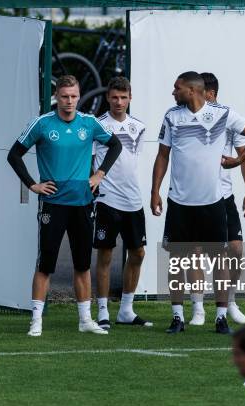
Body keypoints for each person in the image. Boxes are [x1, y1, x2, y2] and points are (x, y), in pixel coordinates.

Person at [7, 75, 122, 337]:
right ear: (56, 97)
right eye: (64, 96)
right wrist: (32, 184)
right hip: (53, 203)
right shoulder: (42, 123)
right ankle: (36, 320)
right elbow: (14, 155)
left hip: (82, 202)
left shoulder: (89, 123)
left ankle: (85, 320)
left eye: (73, 96)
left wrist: (100, 173)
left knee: (82, 264)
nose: (69, 101)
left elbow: (115, 145)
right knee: (45, 264)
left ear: (79, 96)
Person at [151, 71, 245, 334]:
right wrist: (155, 191)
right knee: (178, 261)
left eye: (176, 88)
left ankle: (221, 316)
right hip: (179, 202)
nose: (172, 92)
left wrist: (238, 160)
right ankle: (178, 317)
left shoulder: (222, 114)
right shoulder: (171, 116)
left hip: (213, 202)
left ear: (192, 90)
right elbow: (162, 156)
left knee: (220, 259)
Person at [92, 77, 151, 329]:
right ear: (107, 98)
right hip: (107, 199)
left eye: (123, 97)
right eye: (114, 97)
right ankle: (103, 311)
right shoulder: (97, 125)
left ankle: (126, 310)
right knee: (106, 254)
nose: (119, 102)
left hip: (133, 200)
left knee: (138, 252)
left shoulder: (139, 127)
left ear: (130, 98)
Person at [200, 72, 245, 325]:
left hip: (224, 195)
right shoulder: (187, 116)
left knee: (235, 249)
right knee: (198, 251)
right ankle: (198, 307)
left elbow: (243, 156)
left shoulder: (228, 116)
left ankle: (230, 301)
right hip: (197, 196)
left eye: (202, 92)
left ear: (211, 94)